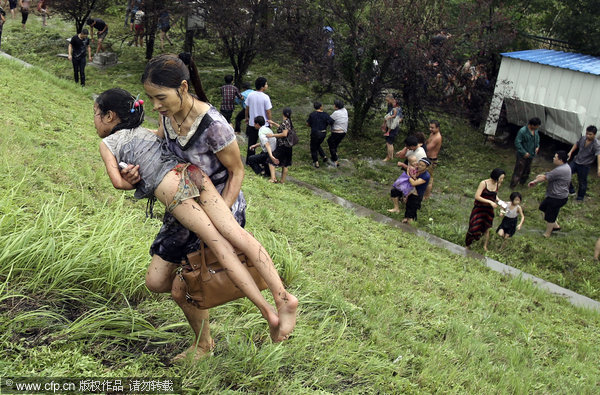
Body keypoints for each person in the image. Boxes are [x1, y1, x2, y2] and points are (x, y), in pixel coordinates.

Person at [94, 88, 297, 348]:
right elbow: (157, 150)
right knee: (235, 237)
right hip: (193, 173)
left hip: (172, 187)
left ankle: (268, 312)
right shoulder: (151, 130)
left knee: (220, 245)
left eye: (96, 114)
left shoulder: (107, 144)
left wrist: (130, 180)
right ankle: (281, 298)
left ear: (110, 116)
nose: (95, 120)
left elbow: (117, 183)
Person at [120, 53, 248, 360]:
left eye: (160, 97)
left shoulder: (214, 126)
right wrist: (131, 155)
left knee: (182, 288)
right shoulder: (168, 114)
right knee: (156, 281)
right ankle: (200, 291)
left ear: (182, 87)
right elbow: (162, 142)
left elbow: (237, 171)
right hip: (183, 205)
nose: (155, 106)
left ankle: (204, 345)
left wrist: (220, 221)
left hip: (218, 209)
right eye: (151, 99)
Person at [528, 150, 571, 238]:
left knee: (550, 216)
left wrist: (534, 181)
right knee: (543, 207)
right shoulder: (565, 167)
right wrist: (541, 176)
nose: (553, 158)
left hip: (557, 197)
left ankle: (547, 233)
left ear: (560, 160)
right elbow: (549, 175)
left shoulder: (561, 169)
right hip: (556, 195)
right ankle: (555, 226)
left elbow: (545, 177)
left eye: (555, 157)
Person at [465, 168, 505, 251]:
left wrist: (500, 202)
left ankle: (484, 246)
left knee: (487, 228)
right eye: (501, 178)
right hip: (479, 208)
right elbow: (477, 196)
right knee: (473, 226)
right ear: (496, 176)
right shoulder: (484, 183)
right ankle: (468, 245)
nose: (502, 180)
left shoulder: (497, 184)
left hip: (488, 210)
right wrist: (490, 202)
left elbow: (494, 195)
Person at [567, 125, 600, 201]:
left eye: (590, 134)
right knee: (566, 173)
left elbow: (598, 155)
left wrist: (599, 168)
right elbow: (577, 144)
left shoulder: (596, 144)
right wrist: (570, 152)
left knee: (582, 181)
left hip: (585, 165)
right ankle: (571, 190)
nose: (588, 135)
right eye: (587, 133)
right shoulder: (583, 138)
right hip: (576, 161)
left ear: (594, 135)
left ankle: (580, 197)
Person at [244, 77, 271, 162]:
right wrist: (270, 121)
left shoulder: (250, 95)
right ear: (262, 86)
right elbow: (268, 111)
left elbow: (247, 108)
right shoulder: (265, 97)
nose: (267, 85)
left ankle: (249, 160)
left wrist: (247, 117)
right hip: (264, 124)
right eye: (266, 84)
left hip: (253, 123)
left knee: (251, 142)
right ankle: (265, 160)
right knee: (265, 143)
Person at [510, 117, 541, 188]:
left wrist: (537, 147)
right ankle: (513, 185)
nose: (537, 127)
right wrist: (524, 152)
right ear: (532, 125)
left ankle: (522, 183)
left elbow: (537, 140)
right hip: (522, 155)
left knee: (527, 170)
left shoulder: (535, 131)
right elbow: (517, 142)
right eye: (536, 126)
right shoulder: (523, 131)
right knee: (519, 170)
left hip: (531, 154)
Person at [266, 108, 295, 184]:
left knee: (271, 159)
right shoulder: (289, 122)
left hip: (283, 146)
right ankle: (282, 181)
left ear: (283, 113)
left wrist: (272, 135)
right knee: (285, 164)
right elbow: (283, 129)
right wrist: (274, 123)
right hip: (288, 146)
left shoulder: (285, 122)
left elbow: (284, 134)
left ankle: (273, 178)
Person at [402, 158, 431, 224]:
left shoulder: (426, 176)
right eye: (419, 164)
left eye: (422, 165)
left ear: (426, 167)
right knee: (408, 207)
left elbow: (414, 183)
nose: (420, 166)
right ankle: (406, 219)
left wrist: (408, 175)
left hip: (417, 195)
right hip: (411, 192)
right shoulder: (416, 170)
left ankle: (410, 224)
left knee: (412, 210)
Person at [307, 101, 334, 168]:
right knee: (317, 144)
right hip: (323, 133)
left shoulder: (312, 114)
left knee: (313, 147)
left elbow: (308, 124)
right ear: (321, 107)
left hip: (315, 133)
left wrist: (312, 125)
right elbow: (331, 122)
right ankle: (324, 156)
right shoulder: (325, 114)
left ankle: (316, 162)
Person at [424, 120, 442, 198]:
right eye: (430, 127)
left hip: (431, 160)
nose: (430, 129)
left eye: (432, 127)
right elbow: (426, 142)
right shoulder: (432, 134)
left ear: (437, 128)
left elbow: (428, 147)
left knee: (429, 178)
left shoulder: (438, 137)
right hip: (427, 157)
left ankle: (427, 196)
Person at [382, 94, 403, 162]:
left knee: (389, 142)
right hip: (389, 125)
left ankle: (389, 157)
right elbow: (388, 115)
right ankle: (390, 157)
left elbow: (400, 118)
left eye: (388, 100)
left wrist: (395, 122)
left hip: (393, 126)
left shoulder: (398, 108)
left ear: (392, 99)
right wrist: (385, 124)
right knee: (388, 141)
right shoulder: (390, 106)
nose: (387, 102)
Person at [327, 99, 348, 167]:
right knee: (335, 144)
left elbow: (329, 120)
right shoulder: (345, 110)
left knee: (330, 143)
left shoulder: (336, 113)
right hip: (343, 132)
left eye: (334, 104)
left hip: (337, 132)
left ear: (336, 106)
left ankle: (335, 160)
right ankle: (335, 155)